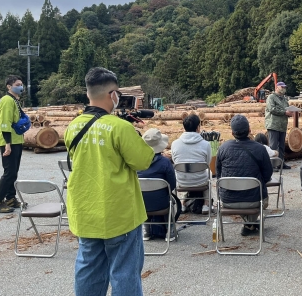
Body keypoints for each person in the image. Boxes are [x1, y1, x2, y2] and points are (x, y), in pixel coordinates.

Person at [64, 67, 155, 296]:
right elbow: (143, 161)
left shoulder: (73, 126)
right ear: (114, 94)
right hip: (119, 213)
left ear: (88, 94)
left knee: (88, 268)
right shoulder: (120, 128)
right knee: (125, 272)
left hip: (85, 211)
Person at [216, 115, 273, 236]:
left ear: (232, 132)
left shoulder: (223, 148)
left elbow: (218, 175)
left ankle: (249, 224)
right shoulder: (260, 149)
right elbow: (268, 174)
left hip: (228, 200)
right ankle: (250, 224)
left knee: (243, 192)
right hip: (254, 200)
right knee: (259, 192)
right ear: (249, 130)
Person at [0, 75, 26, 213]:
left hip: (16, 139)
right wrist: (7, 144)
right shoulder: (7, 100)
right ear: (9, 86)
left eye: (21, 84)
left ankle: (10, 198)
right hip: (9, 141)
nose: (21, 86)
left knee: (14, 172)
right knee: (9, 172)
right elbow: (5, 122)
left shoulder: (14, 100)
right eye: (17, 84)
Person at [138, 128, 177, 241]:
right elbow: (172, 185)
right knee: (170, 201)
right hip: (162, 203)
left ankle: (146, 230)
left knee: (145, 197)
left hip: (141, 204)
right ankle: (170, 230)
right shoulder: (165, 163)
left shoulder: (137, 162)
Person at [171, 114, 212, 214]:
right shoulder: (206, 144)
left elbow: (174, 160)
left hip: (182, 181)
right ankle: (206, 204)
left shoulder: (175, 143)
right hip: (201, 181)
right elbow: (207, 163)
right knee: (209, 172)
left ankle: (183, 203)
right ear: (198, 127)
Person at [265, 82, 294, 168]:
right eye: (282, 87)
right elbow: (272, 109)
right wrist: (285, 112)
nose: (284, 89)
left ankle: (281, 163)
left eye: (285, 87)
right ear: (277, 87)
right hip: (273, 124)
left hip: (282, 125)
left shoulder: (285, 99)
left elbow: (287, 109)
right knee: (273, 146)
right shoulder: (271, 97)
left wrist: (290, 112)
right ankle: (272, 165)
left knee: (281, 146)